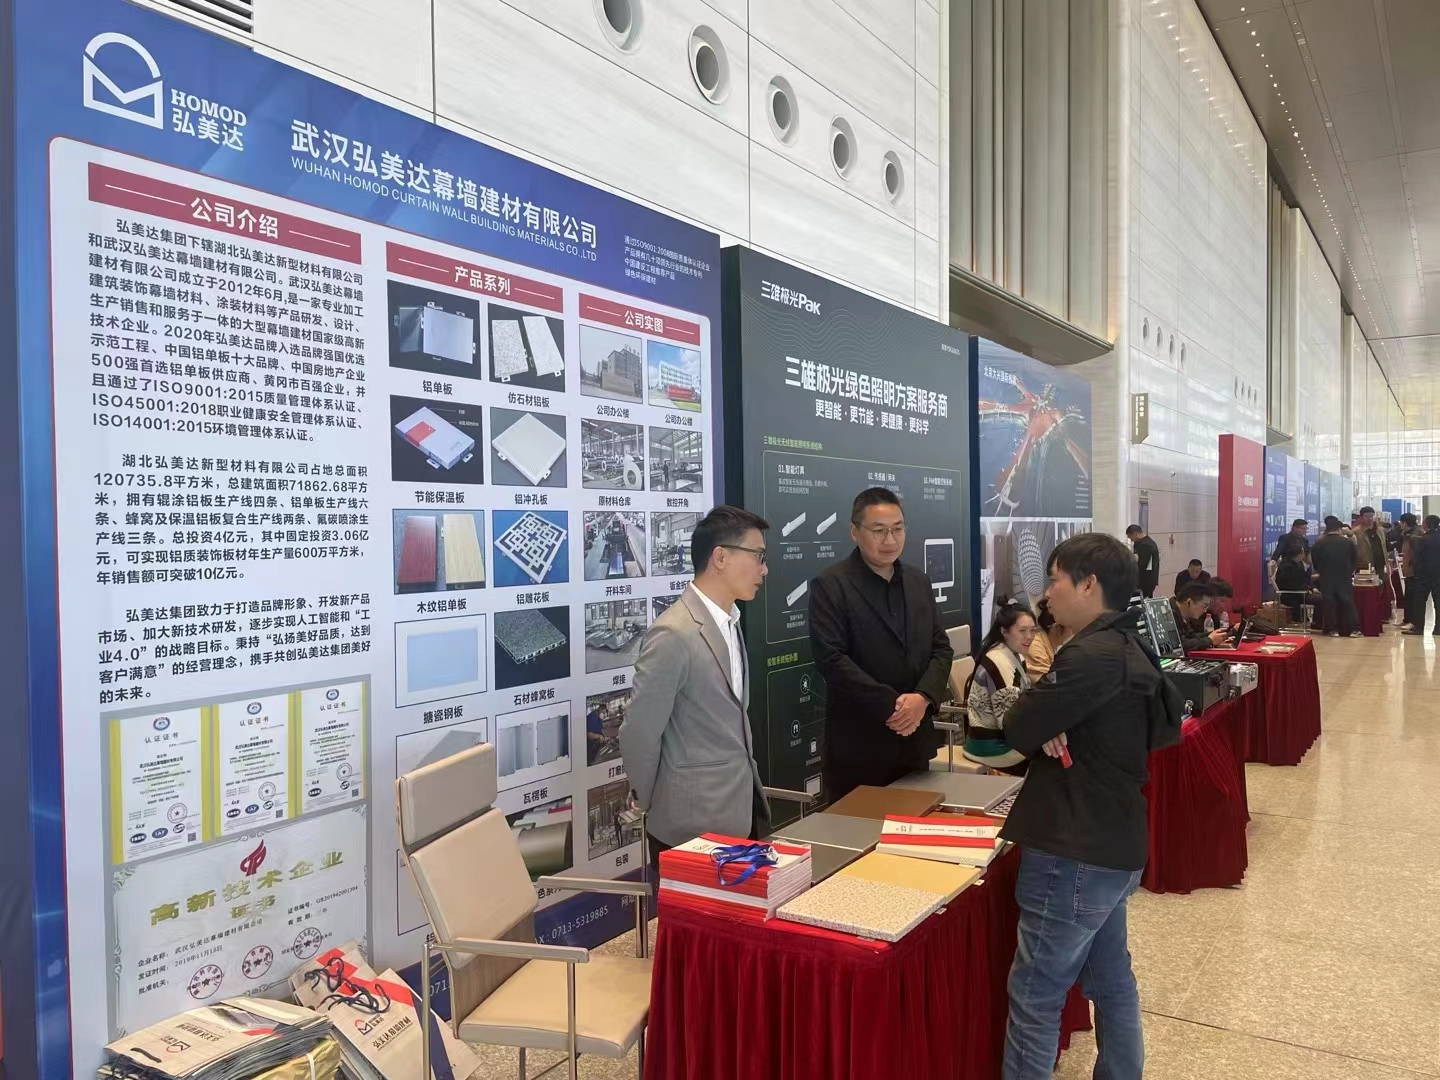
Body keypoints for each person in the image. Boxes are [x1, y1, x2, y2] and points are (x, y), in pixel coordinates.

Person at [999, 533, 1184, 1079]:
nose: (1046, 593)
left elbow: (1018, 725)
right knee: (1111, 980)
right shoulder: (1128, 645)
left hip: (1073, 850)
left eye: (1055, 579)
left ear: (1088, 584)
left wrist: (1046, 721)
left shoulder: (1087, 655)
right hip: (1114, 843)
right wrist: (1054, 722)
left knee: (1036, 995)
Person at [620, 505, 772, 880]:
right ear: (720, 557)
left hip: (739, 810)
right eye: (758, 556)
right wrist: (652, 801)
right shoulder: (674, 632)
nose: (764, 570)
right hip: (689, 827)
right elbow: (640, 731)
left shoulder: (730, 621)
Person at [809, 487, 953, 802]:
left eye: (897, 529)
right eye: (879, 531)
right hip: (860, 746)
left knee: (915, 824)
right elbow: (831, 659)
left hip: (915, 742)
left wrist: (923, 698)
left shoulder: (918, 581)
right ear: (854, 532)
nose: (890, 540)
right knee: (858, 827)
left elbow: (941, 648)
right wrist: (894, 708)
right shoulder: (831, 585)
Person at [961, 602, 1035, 770]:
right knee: (1052, 760)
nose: (1029, 636)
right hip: (992, 747)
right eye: (1023, 631)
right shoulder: (999, 660)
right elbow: (1009, 722)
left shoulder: (1013, 654)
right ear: (1004, 632)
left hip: (999, 740)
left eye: (1033, 630)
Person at [1312, 515, 1363, 638]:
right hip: (1344, 576)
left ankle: (1332, 629)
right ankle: (1354, 629)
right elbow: (1355, 559)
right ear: (1339, 529)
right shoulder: (1348, 542)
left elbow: (1315, 560)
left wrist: (1322, 571)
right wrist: (1349, 571)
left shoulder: (1319, 542)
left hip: (1327, 576)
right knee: (1348, 602)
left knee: (1329, 603)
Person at [1403, 515, 1440, 636]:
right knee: (1438, 601)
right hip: (1438, 574)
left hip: (1423, 575)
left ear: (1425, 524)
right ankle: (1438, 628)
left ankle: (1419, 628)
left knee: (1419, 602)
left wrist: (1415, 569)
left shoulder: (1422, 540)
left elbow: (1418, 557)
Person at [1170, 582, 1229, 651]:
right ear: (1189, 602)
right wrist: (1209, 640)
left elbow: (1190, 636)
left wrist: (1212, 635)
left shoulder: (1184, 615)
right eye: (1204, 606)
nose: (1205, 610)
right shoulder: (1170, 615)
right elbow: (1179, 645)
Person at [1025, 598, 1070, 678]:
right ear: (1057, 628)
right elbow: (1048, 682)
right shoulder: (1035, 647)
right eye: (1070, 627)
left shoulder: (1049, 645)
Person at [1274, 549, 1313, 623]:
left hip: (1296, 594)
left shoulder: (1292, 564)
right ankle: (1317, 624)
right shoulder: (1288, 567)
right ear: (1299, 555)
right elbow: (1293, 585)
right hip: (1292, 596)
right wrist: (1307, 589)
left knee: (1319, 598)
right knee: (1320, 600)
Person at [1125, 525, 1161, 598]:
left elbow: (1142, 564)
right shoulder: (1146, 542)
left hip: (1145, 581)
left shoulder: (1145, 545)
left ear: (1135, 534)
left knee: (1142, 601)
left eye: (1131, 537)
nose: (1131, 540)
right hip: (1147, 580)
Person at [1353, 507, 1386, 575]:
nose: (1370, 518)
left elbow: (1384, 547)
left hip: (1380, 565)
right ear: (1361, 517)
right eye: (1367, 516)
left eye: (1372, 516)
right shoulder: (1356, 532)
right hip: (1364, 566)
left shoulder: (1381, 530)